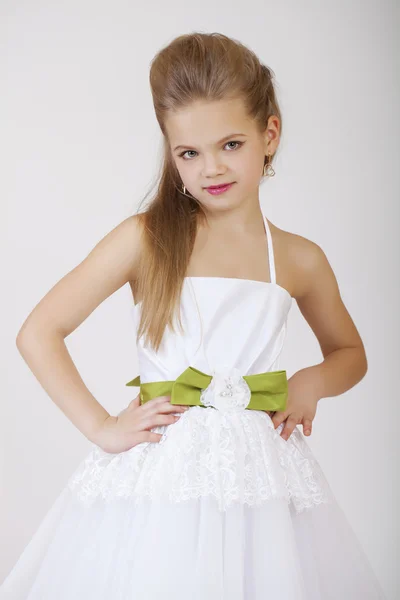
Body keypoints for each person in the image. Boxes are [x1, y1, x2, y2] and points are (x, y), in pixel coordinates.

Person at [1, 32, 386, 599]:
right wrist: (103, 428)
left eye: (230, 145)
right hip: (161, 480)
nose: (211, 168)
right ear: (171, 153)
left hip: (262, 483)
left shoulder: (300, 258)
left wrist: (312, 382)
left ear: (269, 135)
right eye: (190, 153)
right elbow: (39, 332)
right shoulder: (147, 239)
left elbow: (351, 355)